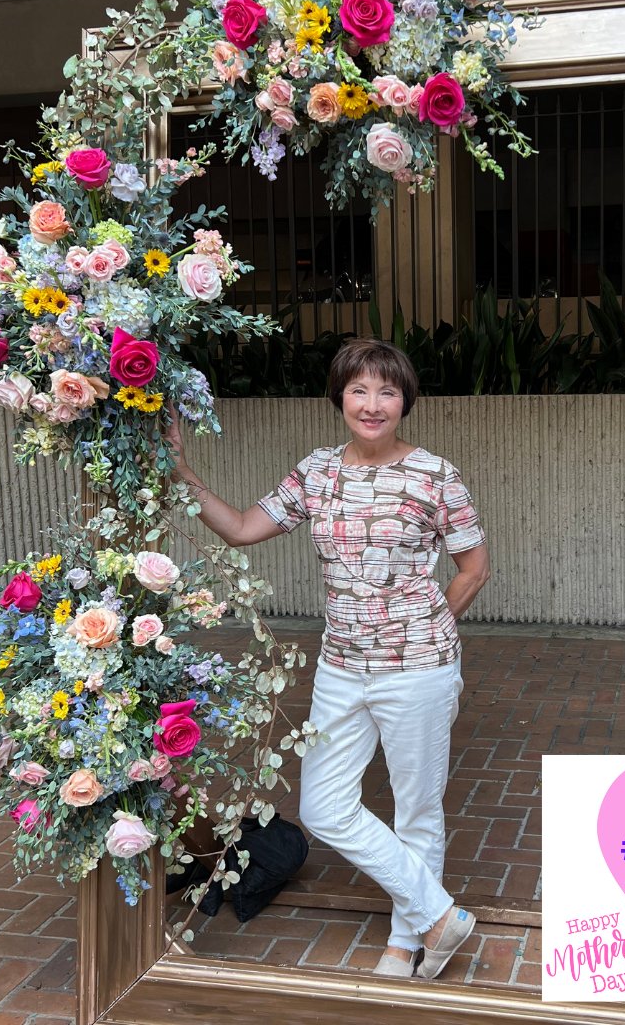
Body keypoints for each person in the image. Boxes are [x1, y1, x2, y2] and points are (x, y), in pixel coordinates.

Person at [165, 338, 490, 979]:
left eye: (387, 391)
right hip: (341, 667)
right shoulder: (315, 472)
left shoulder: (434, 474)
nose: (373, 404)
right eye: (359, 390)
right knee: (323, 807)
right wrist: (181, 468)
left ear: (405, 402)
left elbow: (474, 567)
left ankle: (407, 942)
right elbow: (239, 528)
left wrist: (427, 626)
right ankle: (437, 912)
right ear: (340, 397)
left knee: (417, 806)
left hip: (417, 668)